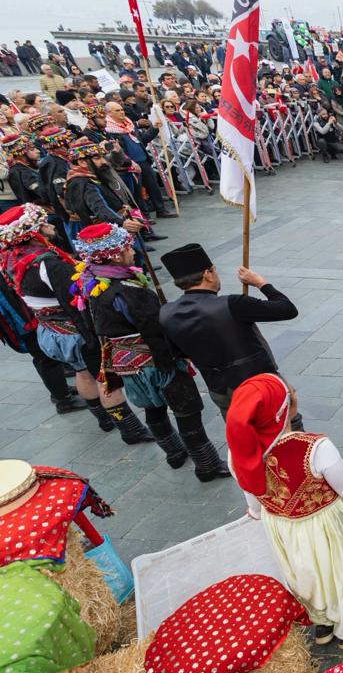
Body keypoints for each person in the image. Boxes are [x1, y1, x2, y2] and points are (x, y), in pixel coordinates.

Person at [226, 372, 343, 649]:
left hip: (281, 525)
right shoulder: (315, 448)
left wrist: (257, 513)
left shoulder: (239, 453)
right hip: (323, 524)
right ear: (286, 410)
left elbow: (250, 491)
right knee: (336, 571)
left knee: (304, 571)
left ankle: (322, 622)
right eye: (291, 393)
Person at [71, 223, 229, 480]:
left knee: (153, 408)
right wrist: (181, 352)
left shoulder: (88, 281)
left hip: (126, 362)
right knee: (186, 409)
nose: (133, 252)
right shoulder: (129, 291)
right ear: (115, 255)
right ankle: (207, 464)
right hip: (155, 361)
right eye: (127, 248)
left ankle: (174, 453)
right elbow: (157, 329)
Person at [0, 202, 151, 441]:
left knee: (83, 372)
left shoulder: (10, 258)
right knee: (106, 380)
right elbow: (75, 303)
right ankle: (130, 430)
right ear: (32, 233)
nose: (50, 225)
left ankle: (103, 418)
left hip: (50, 330)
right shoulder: (47, 263)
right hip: (75, 333)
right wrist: (94, 335)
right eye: (43, 224)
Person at [157, 242, 303, 428]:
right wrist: (260, 283)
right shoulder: (232, 304)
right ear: (207, 274)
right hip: (260, 384)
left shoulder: (166, 313)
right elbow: (287, 309)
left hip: (220, 389)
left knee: (244, 436)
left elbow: (179, 353)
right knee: (286, 428)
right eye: (214, 271)